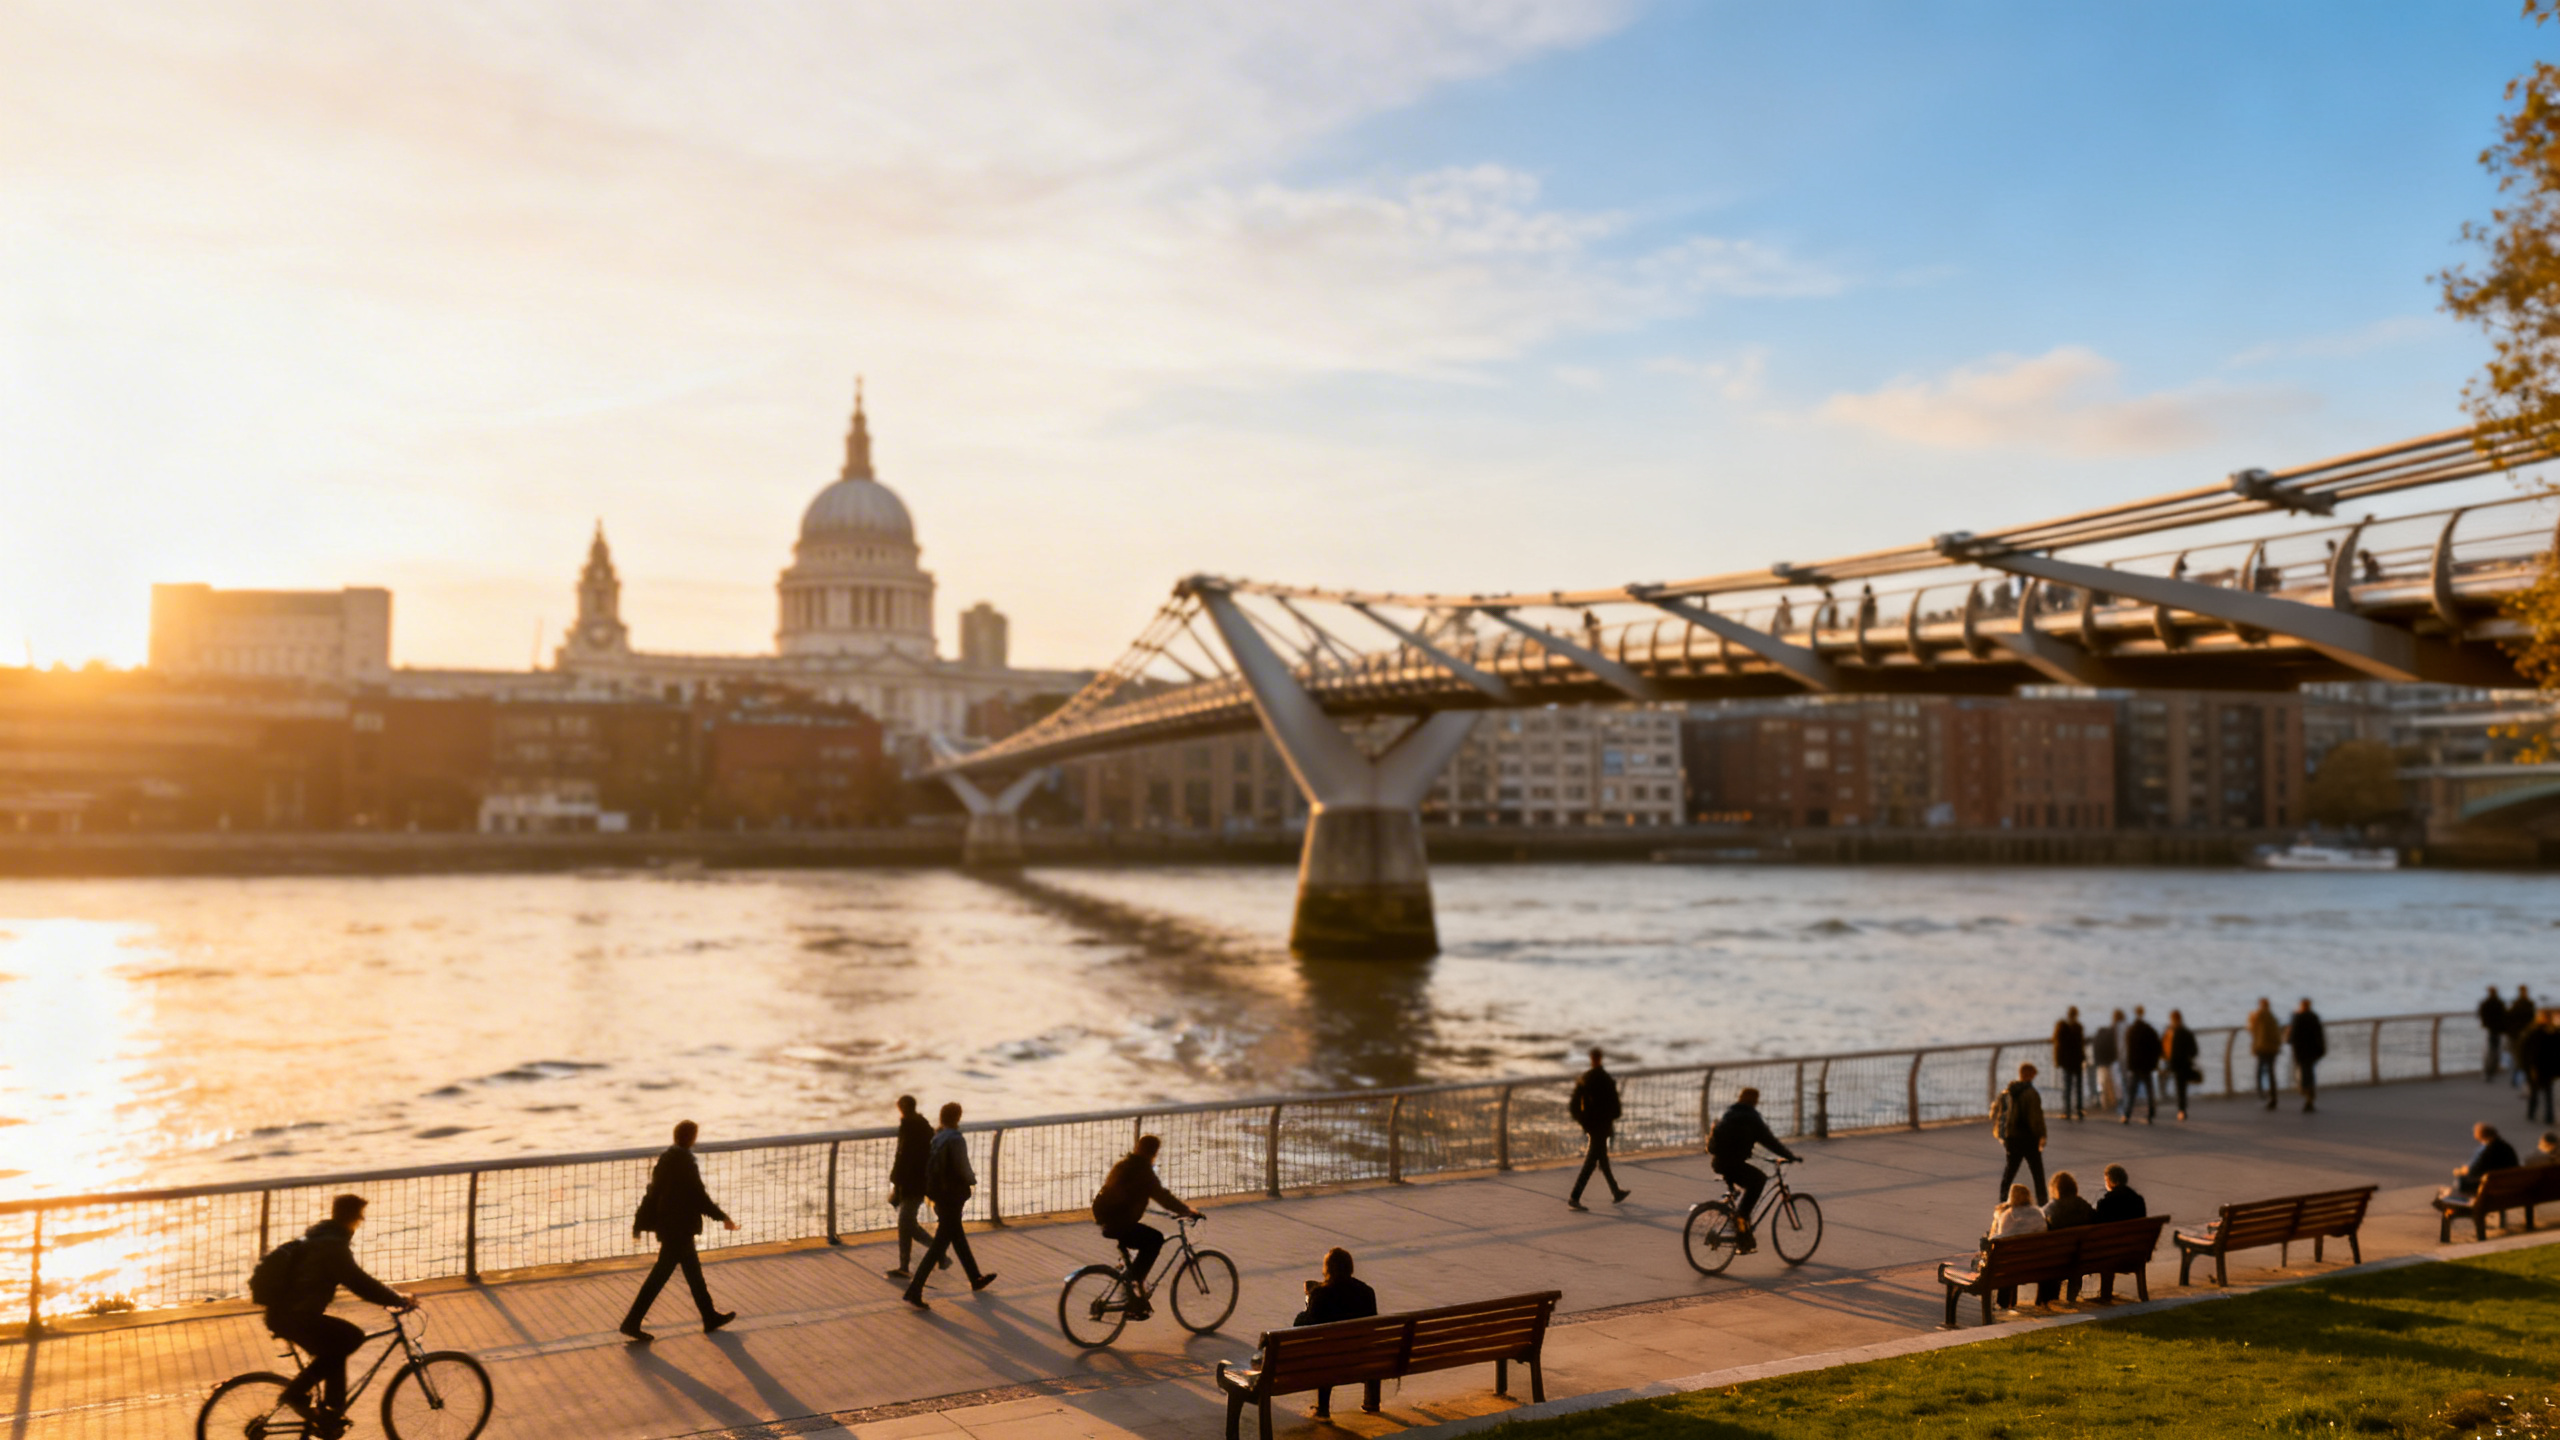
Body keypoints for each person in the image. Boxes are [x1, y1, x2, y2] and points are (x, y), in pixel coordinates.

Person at [264, 1194, 414, 1438]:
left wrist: (389, 1296)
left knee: (337, 1343)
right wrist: (397, 1299)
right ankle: (297, 1394)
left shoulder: (322, 1236)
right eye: (359, 1215)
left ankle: (331, 1414)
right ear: (352, 1217)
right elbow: (359, 1282)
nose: (361, 1220)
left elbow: (355, 1280)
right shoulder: (333, 1246)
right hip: (293, 1316)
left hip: (286, 1312)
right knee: (351, 1336)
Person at [621, 1120, 740, 1342]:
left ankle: (709, 1316)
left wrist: (639, 1222)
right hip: (680, 1229)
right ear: (692, 1138)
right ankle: (632, 1322)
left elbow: (652, 1192)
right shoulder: (685, 1162)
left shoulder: (666, 1159)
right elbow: (699, 1197)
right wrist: (723, 1217)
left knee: (693, 1274)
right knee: (660, 1277)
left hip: (669, 1227)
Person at [1091, 1134, 1201, 1317]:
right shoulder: (1143, 1172)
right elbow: (1163, 1196)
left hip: (1108, 1220)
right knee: (1155, 1239)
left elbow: (1121, 1192)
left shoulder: (1123, 1164)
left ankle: (1132, 1287)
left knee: (1141, 1239)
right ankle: (1134, 1286)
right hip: (1121, 1223)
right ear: (1154, 1153)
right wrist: (1187, 1211)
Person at [902, 1102, 998, 1310]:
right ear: (958, 1117)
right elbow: (963, 1167)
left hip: (940, 1196)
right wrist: (972, 1181)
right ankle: (914, 1290)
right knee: (939, 1245)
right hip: (952, 1196)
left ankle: (975, 1278)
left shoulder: (937, 1137)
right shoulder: (955, 1139)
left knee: (957, 1237)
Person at [1705, 1086, 1800, 1251]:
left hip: (1719, 1163)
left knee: (1744, 1184)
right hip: (1734, 1164)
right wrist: (1790, 1156)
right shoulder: (1752, 1118)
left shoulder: (1730, 1113)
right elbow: (1770, 1141)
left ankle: (1739, 1222)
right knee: (1758, 1181)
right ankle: (1741, 1225)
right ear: (1755, 1101)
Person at [1291, 1247, 1380, 1419]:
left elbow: (1303, 1326)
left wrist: (1309, 1301)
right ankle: (1372, 1401)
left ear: (1328, 1269)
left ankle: (1323, 1408)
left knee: (1326, 1351)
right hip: (1363, 1358)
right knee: (1338, 1348)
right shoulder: (1367, 1292)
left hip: (1329, 1362)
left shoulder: (1321, 1294)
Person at [885, 1094, 943, 1281]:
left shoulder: (910, 1127)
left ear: (902, 1107)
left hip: (912, 1184)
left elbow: (903, 1158)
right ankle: (931, 1256)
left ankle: (929, 1256)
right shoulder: (921, 1126)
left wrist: (896, 1182)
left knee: (906, 1223)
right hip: (917, 1182)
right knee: (907, 1224)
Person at [1566, 1047, 1632, 1211]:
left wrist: (1583, 1120)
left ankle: (1616, 1191)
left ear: (1591, 1059)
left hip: (1592, 1125)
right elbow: (1616, 1107)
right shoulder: (1605, 1079)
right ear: (1600, 1058)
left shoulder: (1586, 1078)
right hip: (1602, 1126)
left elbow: (1574, 1103)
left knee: (1602, 1159)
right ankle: (1574, 1196)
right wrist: (1611, 1117)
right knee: (1591, 1162)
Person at [2035, 1171, 2097, 1306]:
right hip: (2081, 1259)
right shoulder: (2084, 1206)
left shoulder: (2050, 1210)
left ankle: (2045, 1301)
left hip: (2057, 1261)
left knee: (2049, 1258)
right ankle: (2071, 1298)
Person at [1992, 1062, 2048, 1205]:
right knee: (2038, 1175)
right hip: (2029, 1139)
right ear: (2030, 1075)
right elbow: (2036, 1118)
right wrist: (2041, 1135)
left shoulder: (2008, 1092)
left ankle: (2002, 1203)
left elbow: (1995, 1112)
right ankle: (2043, 1204)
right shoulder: (2032, 1093)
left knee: (2009, 1173)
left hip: (2012, 1139)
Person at [1985, 1182, 2045, 1311]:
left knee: (2006, 1261)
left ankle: (2003, 1304)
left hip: (2012, 1265)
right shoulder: (2038, 1214)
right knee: (2013, 1258)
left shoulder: (2008, 1215)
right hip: (2036, 1264)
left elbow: (1999, 1239)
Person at [2446, 1121, 2519, 1200]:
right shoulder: (2506, 1147)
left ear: (2479, 1135)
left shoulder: (2487, 1151)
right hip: (2507, 1185)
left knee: (2459, 1182)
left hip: (2491, 1188)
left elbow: (2473, 1172)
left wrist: (2463, 1171)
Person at [2121, 1006, 2162, 1125]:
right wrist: (2154, 1062)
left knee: (2131, 1092)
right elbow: (2157, 1047)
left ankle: (2126, 1115)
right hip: (2146, 1066)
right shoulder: (2149, 1029)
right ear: (2143, 1013)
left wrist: (2129, 1064)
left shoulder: (2131, 1030)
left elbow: (2128, 1049)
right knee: (2150, 1091)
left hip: (2134, 1066)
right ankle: (2150, 1114)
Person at [2288, 998, 2328, 1113]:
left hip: (2301, 1051)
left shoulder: (2298, 1018)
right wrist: (2321, 1050)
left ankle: (2306, 1094)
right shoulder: (2314, 1017)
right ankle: (2310, 1096)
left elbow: (2292, 1037)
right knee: (2309, 1072)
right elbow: (2319, 1035)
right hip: (2313, 1052)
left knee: (2303, 1073)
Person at [2248, 997, 2286, 1110]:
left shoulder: (2257, 1015)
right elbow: (2277, 1034)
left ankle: (2261, 1092)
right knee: (2271, 1073)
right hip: (2272, 1049)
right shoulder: (2272, 1017)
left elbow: (2252, 1029)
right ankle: (2273, 1097)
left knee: (2260, 1070)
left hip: (2262, 1048)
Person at [2163, 1009, 2200, 1122]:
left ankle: (2179, 1109)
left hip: (2173, 1064)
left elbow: (2164, 1047)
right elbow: (2194, 1051)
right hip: (2184, 1064)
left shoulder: (2169, 1032)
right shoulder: (2186, 1032)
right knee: (2181, 1088)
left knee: (2179, 1087)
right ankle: (2181, 1109)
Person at [2526, 1010, 2560, 1127]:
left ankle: (2538, 1114)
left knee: (2541, 1093)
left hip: (2543, 1067)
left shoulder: (2541, 1033)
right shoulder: (2540, 1033)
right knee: (2541, 1093)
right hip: (2540, 1067)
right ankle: (2540, 1115)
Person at [2052, 1008, 2087, 1121]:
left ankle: (2067, 1111)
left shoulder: (2062, 1027)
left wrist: (2058, 1061)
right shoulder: (2078, 1027)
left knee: (2067, 1087)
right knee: (2078, 1087)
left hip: (2067, 1062)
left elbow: (2057, 1044)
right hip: (2077, 1061)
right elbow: (2081, 1044)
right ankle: (2079, 1110)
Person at [2090, 1010, 2123, 1113]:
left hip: (2102, 1060)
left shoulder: (2102, 1034)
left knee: (2104, 1083)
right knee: (2111, 1082)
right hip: (2109, 1060)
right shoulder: (2115, 1031)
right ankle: (2113, 1101)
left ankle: (2107, 1102)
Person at [2510, 986, 2540, 1093]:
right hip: (2524, 1033)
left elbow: (2511, 1019)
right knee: (2523, 1058)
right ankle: (2520, 1079)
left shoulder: (2517, 1004)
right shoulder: (2527, 1004)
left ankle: (2516, 1079)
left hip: (2520, 1034)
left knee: (2520, 1057)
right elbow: (2532, 1019)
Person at [2482, 985, 2510, 1082]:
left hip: (2491, 1030)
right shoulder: (2499, 1003)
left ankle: (2489, 1071)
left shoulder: (2486, 1003)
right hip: (2498, 1030)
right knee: (2495, 1050)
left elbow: (2482, 1015)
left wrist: (2486, 1024)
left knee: (2491, 1051)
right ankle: (2492, 1070)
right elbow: (2505, 1015)